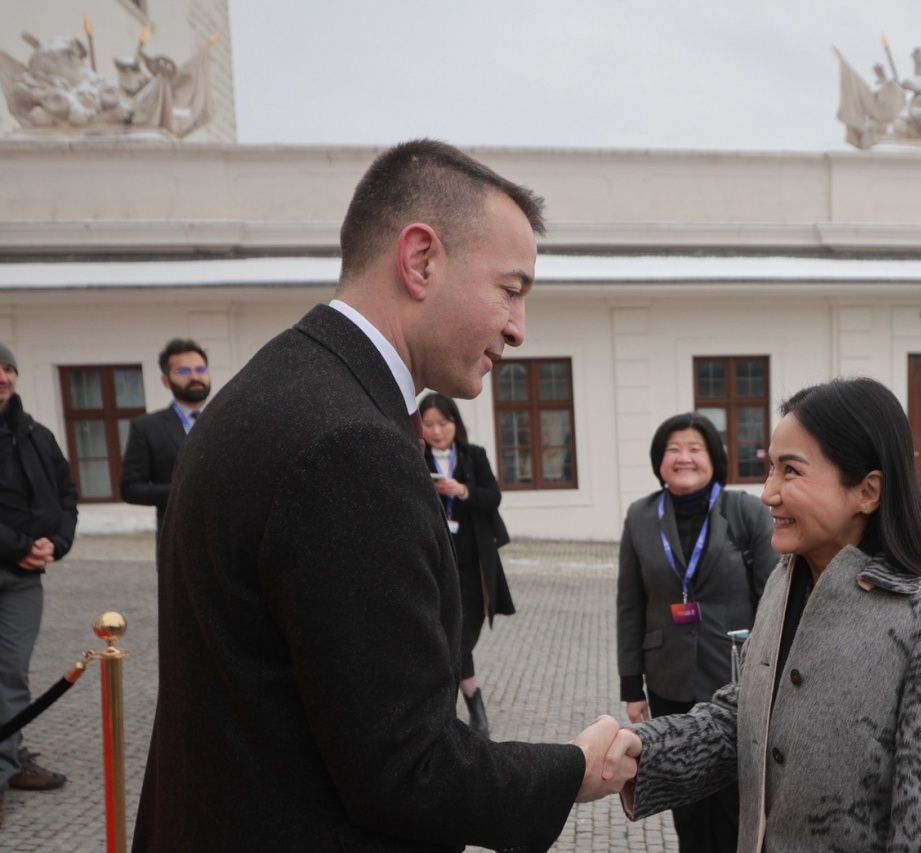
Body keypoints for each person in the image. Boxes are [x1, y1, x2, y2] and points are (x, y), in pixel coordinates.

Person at [132, 139, 635, 853]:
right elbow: (406, 765)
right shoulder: (349, 444)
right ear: (421, 259)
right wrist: (573, 770)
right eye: (511, 290)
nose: (519, 329)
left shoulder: (274, 387)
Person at [607, 377, 921, 851]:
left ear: (867, 491)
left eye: (790, 471)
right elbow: (745, 719)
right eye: (770, 468)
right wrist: (642, 752)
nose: (768, 492)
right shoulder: (783, 583)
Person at [615, 412, 777, 852]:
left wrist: (772, 674)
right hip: (668, 678)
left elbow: (773, 598)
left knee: (732, 800)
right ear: (659, 460)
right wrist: (632, 686)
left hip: (734, 681)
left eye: (694, 449)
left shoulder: (744, 511)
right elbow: (630, 604)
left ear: (714, 459)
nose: (683, 457)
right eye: (673, 449)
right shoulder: (641, 516)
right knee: (685, 803)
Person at [0, 342, 78, 815]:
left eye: (7, 369)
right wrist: (20, 547)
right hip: (15, 558)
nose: (2, 378)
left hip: (24, 581)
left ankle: (7, 761)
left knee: (11, 672)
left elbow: (66, 497)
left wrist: (57, 543)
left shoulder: (36, 435)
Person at [418, 392, 513, 738]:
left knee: (463, 636)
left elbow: (494, 497)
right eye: (429, 425)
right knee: (449, 636)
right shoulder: (416, 457)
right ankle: (474, 709)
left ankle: (460, 707)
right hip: (435, 564)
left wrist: (462, 491)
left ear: (455, 423)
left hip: (473, 565)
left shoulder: (474, 457)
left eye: (442, 423)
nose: (436, 431)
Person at [120, 338, 211, 527]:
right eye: (183, 371)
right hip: (178, 537)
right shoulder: (147, 427)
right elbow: (130, 489)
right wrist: (182, 492)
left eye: (200, 369)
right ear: (166, 381)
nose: (195, 377)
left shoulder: (229, 420)